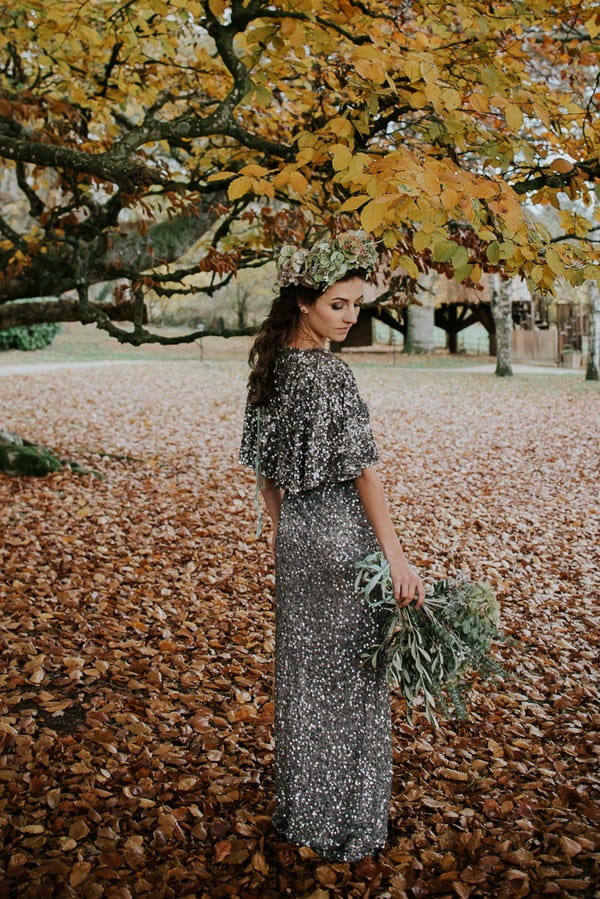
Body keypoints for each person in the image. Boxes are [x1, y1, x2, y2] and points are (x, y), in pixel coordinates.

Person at [239, 230, 425, 862]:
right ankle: (346, 825)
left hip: (295, 538)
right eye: (338, 304)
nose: (350, 317)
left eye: (356, 305)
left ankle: (303, 814)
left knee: (305, 680)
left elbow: (265, 472)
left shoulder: (268, 368)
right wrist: (396, 557)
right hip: (342, 540)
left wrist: (281, 527)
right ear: (303, 303)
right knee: (351, 684)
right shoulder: (328, 374)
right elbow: (364, 472)